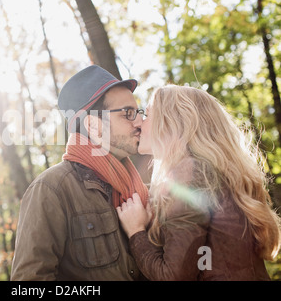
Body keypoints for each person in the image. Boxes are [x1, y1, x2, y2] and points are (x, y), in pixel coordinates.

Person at [117, 84, 281, 281]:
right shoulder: (212, 171)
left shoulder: (191, 172)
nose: (139, 122)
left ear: (172, 122)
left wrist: (136, 232)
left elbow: (172, 276)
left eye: (148, 113)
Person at [10, 65, 149, 280]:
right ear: (93, 126)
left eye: (138, 112)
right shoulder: (51, 190)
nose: (140, 122)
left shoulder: (141, 185)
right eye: (128, 114)